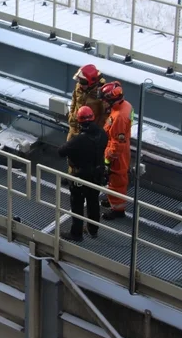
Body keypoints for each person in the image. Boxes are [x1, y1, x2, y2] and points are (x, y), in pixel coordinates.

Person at [57, 105, 108, 242]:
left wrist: (73, 141)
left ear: (80, 121)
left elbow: (61, 151)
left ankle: (76, 233)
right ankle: (93, 230)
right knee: (93, 203)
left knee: (77, 204)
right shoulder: (102, 134)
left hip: (81, 176)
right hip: (97, 174)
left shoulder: (79, 140)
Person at [99, 81, 134, 220]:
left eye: (105, 100)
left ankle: (118, 210)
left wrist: (107, 160)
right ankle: (112, 200)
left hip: (117, 154)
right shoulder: (125, 106)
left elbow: (116, 144)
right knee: (114, 179)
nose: (103, 102)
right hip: (119, 148)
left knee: (116, 179)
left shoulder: (119, 117)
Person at [67, 64, 107, 140]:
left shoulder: (101, 94)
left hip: (89, 133)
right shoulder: (78, 86)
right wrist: (71, 116)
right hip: (74, 127)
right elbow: (74, 101)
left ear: (91, 81)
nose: (80, 84)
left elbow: (104, 114)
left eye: (83, 82)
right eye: (79, 81)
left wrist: (96, 129)